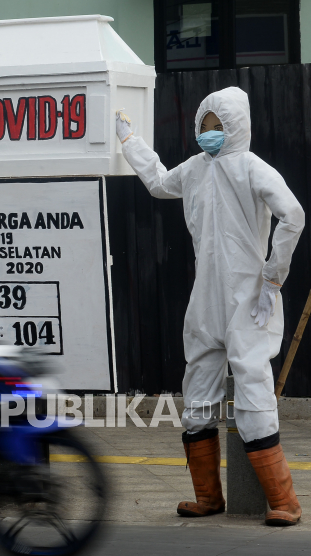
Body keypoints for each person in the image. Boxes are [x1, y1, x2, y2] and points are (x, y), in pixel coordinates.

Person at [116, 87, 305, 525]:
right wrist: (131, 142)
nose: (209, 133)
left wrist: (272, 277)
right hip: (206, 297)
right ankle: (207, 497)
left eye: (218, 126)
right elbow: (160, 182)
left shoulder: (252, 167)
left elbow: (292, 214)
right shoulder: (196, 169)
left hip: (248, 297)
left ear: (237, 126)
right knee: (198, 390)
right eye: (204, 126)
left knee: (254, 390)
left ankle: (284, 501)